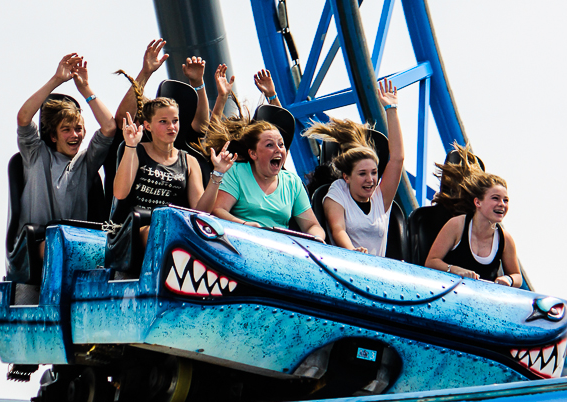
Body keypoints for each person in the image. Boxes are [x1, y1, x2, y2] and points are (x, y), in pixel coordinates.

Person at [113, 71, 236, 247]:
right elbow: (120, 193)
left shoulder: (189, 161)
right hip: (137, 230)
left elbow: (200, 211)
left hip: (175, 229)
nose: (171, 127)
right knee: (159, 233)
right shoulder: (136, 150)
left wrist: (217, 174)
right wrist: (131, 146)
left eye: (175, 121)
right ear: (148, 126)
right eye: (163, 122)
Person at [16, 53, 116, 256]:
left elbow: (109, 127)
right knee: (56, 248)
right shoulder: (35, 153)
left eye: (78, 128)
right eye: (66, 129)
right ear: (53, 135)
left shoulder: (86, 161)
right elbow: (24, 117)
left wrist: (85, 89)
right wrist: (57, 81)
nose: (75, 135)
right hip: (36, 245)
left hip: (75, 246)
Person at [303, 79, 403, 256]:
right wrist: (353, 252)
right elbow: (338, 229)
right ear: (347, 177)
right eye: (362, 174)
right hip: (348, 267)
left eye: (373, 173)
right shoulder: (338, 191)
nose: (370, 179)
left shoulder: (381, 198)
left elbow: (397, 159)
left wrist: (391, 109)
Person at [201, 115, 325, 239]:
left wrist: (316, 237)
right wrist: (246, 225)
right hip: (242, 239)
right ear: (253, 153)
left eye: (281, 145)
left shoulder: (292, 182)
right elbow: (218, 210)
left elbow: (312, 226)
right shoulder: (236, 171)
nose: (278, 149)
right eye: (269, 145)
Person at [424, 144, 522, 287]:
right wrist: (454, 270)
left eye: (505, 200)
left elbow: (517, 276)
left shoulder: (505, 239)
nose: (502, 204)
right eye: (495, 198)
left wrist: (509, 280)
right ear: (478, 202)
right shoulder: (457, 225)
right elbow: (431, 262)